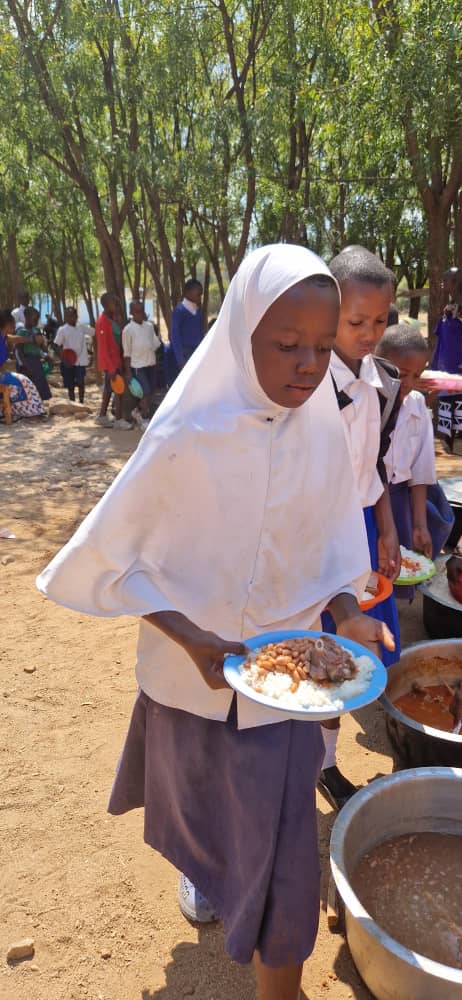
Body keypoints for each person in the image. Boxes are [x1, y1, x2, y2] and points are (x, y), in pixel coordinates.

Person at [37, 244, 394, 1000]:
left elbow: (334, 550)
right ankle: (215, 879)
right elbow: (115, 558)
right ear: (239, 334)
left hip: (288, 689)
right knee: (214, 822)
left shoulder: (320, 428)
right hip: (192, 682)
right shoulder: (184, 437)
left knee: (288, 841)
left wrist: (347, 614)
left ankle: (279, 985)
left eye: (322, 348)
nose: (307, 365)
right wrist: (192, 636)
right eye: (286, 345)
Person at [320, 246, 401, 810]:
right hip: (314, 542)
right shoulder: (303, 382)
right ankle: (306, 763)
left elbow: (377, 464)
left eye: (380, 321)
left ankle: (323, 763)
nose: (369, 333)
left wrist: (388, 529)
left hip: (364, 535)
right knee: (316, 655)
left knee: (354, 660)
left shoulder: (386, 383)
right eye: (356, 321)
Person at [376, 324, 454, 598]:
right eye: (400, 373)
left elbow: (421, 471)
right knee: (373, 570)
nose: (407, 383)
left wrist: (419, 524)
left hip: (400, 501)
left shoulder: (418, 406)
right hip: (370, 500)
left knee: (399, 568)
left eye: (417, 375)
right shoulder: (366, 405)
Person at [431, 283, 462, 454]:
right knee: (456, 405)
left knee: (449, 406)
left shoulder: (444, 322)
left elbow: (439, 342)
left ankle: (449, 442)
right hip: (453, 369)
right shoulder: (449, 324)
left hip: (446, 369)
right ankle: (452, 443)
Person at [95, 293, 132, 430]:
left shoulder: (113, 319)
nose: (117, 306)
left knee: (109, 389)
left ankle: (102, 416)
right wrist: (111, 368)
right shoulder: (103, 321)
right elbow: (103, 347)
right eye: (114, 303)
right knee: (118, 390)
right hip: (110, 363)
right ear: (106, 305)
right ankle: (118, 419)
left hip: (116, 360)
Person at [0, 309, 46, 420]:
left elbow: (19, 339)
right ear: (8, 324)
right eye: (14, 323)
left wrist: (32, 339)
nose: (15, 325)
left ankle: (29, 411)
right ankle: (30, 412)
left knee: (23, 381)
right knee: (23, 383)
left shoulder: (4, 336)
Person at [122, 300, 161, 428]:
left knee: (151, 392)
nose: (140, 313)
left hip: (151, 364)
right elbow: (127, 353)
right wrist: (128, 372)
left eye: (142, 310)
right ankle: (144, 418)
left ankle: (137, 411)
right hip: (137, 366)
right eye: (137, 311)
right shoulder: (128, 330)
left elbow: (155, 343)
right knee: (145, 392)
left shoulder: (149, 326)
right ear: (131, 312)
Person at [13, 306, 52, 401]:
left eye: (37, 320)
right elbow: (19, 351)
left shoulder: (36, 330)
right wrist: (25, 366)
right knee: (29, 387)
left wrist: (46, 356)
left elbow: (41, 347)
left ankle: (39, 408)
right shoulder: (21, 332)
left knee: (40, 386)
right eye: (34, 319)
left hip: (37, 362)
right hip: (27, 363)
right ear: (26, 317)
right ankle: (31, 410)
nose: (36, 322)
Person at [54, 306, 89, 404]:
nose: (71, 318)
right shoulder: (62, 330)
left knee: (81, 382)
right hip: (68, 361)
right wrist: (63, 358)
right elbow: (56, 345)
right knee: (70, 385)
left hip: (81, 361)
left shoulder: (81, 327)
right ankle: (73, 403)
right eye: (68, 316)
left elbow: (94, 332)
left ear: (76, 316)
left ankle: (81, 401)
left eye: (73, 315)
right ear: (65, 317)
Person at [170, 279, 203, 374]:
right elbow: (175, 336)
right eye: (198, 293)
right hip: (185, 354)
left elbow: (200, 333)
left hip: (197, 353)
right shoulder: (179, 311)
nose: (200, 295)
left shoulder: (198, 311)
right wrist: (181, 361)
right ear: (188, 292)